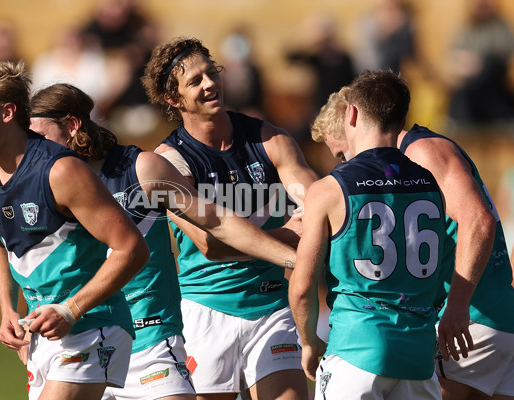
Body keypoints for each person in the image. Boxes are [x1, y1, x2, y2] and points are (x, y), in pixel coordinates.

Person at [28, 83, 301, 400]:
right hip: (75, 339)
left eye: (38, 136)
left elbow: (217, 226)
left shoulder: (140, 169)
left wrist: (293, 258)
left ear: (72, 126)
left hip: (149, 340)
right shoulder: (39, 185)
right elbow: (31, 258)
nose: (33, 149)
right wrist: (20, 317)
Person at [0, 59, 150, 400]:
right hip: (42, 332)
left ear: (8, 111)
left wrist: (70, 309)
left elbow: (133, 248)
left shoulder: (61, 171)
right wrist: (8, 310)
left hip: (91, 323)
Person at [141, 37, 318, 400]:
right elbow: (211, 245)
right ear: (174, 99)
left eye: (212, 73)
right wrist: (288, 234)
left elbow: (318, 209)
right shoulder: (170, 161)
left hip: (272, 306)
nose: (209, 84)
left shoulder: (269, 139)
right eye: (195, 81)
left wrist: (312, 220)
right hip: (206, 310)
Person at [311, 84, 514, 400]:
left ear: (352, 122)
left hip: (468, 320)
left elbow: (479, 219)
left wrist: (458, 305)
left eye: (340, 154)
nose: (343, 165)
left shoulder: (420, 152)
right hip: (491, 316)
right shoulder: (407, 165)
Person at [289, 70, 458, 399]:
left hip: (357, 350)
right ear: (401, 117)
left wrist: (309, 343)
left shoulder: (329, 189)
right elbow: (441, 276)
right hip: (418, 358)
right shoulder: (430, 185)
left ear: (350, 113)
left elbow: (302, 287)